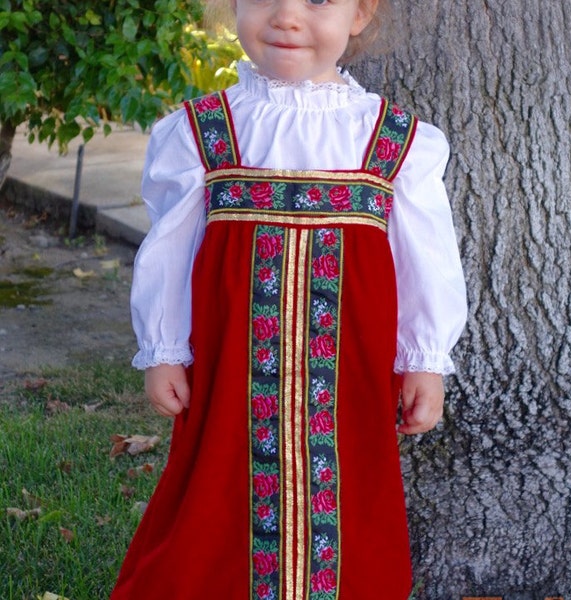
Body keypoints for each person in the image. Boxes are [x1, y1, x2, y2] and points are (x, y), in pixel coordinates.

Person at [111, 0, 467, 598]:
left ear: (360, 14)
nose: (286, 16)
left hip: (348, 383)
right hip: (230, 377)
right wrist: (164, 347)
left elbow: (426, 258)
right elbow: (170, 249)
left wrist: (426, 360)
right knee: (212, 503)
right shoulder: (203, 131)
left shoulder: (394, 141)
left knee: (353, 507)